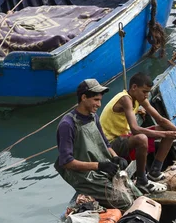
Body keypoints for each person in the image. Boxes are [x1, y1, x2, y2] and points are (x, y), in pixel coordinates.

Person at [99, 72, 176, 194]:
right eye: (144, 91)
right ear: (134, 87)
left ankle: (155, 172)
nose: (146, 95)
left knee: (166, 129)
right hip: (110, 145)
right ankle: (142, 180)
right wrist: (165, 135)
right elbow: (135, 129)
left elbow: (160, 119)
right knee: (142, 138)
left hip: (124, 137)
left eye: (148, 92)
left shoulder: (139, 98)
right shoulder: (125, 99)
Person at [55, 79, 135, 210]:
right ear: (84, 97)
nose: (99, 104)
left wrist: (115, 157)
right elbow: (66, 162)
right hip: (82, 175)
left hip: (99, 168)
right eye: (96, 100)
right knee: (124, 201)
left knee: (132, 190)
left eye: (100, 100)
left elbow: (104, 142)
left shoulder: (93, 116)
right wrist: (100, 166)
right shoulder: (67, 124)